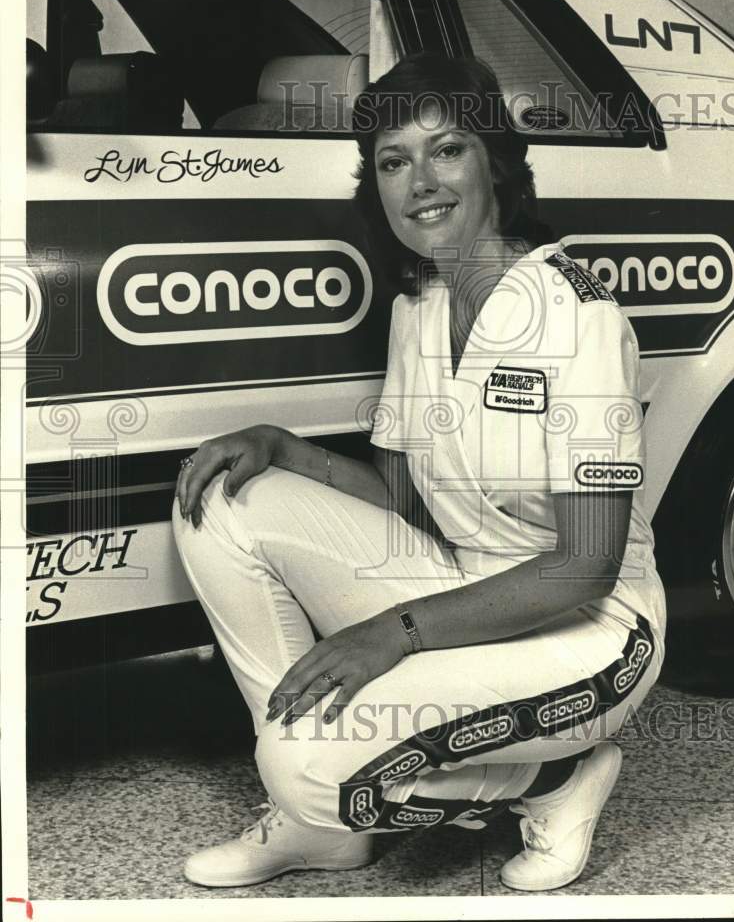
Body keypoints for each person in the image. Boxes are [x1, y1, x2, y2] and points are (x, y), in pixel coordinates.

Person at [171, 53, 666, 893]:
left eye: (447, 150)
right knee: (218, 498)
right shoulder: (420, 309)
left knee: (307, 764)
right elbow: (404, 499)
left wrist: (392, 632)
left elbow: (584, 568)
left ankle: (557, 778)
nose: (420, 181)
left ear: (496, 162)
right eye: (394, 162)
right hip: (457, 584)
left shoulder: (575, 312)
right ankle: (315, 824)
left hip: (588, 632)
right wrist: (286, 449)